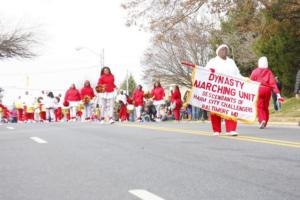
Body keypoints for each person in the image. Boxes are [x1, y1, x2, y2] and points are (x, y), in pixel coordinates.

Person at [204, 44, 242, 136]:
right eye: (222, 50)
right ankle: (216, 130)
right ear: (218, 52)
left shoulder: (231, 62)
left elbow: (237, 74)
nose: (224, 51)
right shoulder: (213, 61)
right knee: (215, 110)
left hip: (230, 90)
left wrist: (245, 79)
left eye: (226, 50)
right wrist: (210, 72)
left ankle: (231, 129)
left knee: (231, 109)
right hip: (217, 90)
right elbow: (205, 72)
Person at [250, 57, 284, 129]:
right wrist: (277, 93)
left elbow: (251, 82)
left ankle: (262, 120)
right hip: (267, 90)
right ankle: (265, 122)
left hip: (259, 89)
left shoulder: (255, 71)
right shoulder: (269, 72)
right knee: (266, 107)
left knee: (260, 106)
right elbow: (273, 84)